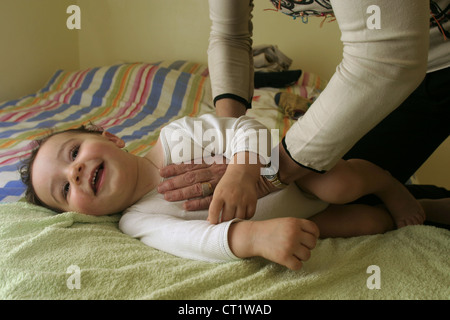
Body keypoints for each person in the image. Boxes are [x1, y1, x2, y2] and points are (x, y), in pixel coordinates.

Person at [19, 115, 449, 270]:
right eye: (62, 189)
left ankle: (391, 185)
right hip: (289, 217)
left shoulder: (177, 135)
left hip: (296, 176)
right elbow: (190, 241)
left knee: (338, 184)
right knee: (363, 223)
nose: (73, 173)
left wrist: (243, 170)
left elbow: (247, 127)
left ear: (111, 137)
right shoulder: (138, 220)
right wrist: (255, 238)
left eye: (72, 152)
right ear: (84, 214)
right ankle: (428, 207)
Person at [157, 0, 450, 220]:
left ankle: (406, 196)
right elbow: (229, 35)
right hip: (399, 61)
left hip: (432, 61)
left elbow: (389, 58)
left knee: (334, 183)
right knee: (324, 191)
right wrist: (228, 144)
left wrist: (269, 173)